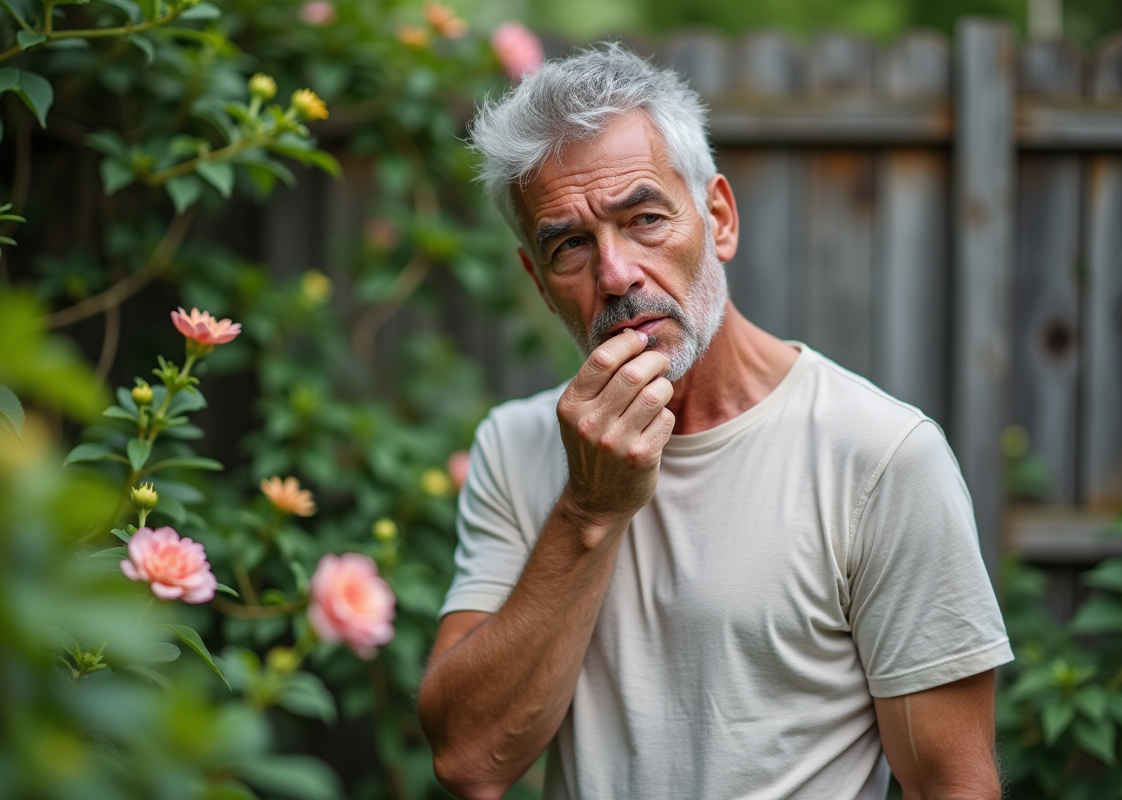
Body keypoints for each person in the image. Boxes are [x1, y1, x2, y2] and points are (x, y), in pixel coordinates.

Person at [417, 44, 1012, 800]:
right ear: (539, 283)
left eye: (644, 219)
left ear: (718, 219)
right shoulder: (516, 445)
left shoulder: (880, 454)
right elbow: (468, 758)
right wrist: (588, 511)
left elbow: (952, 783)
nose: (616, 274)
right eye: (569, 244)